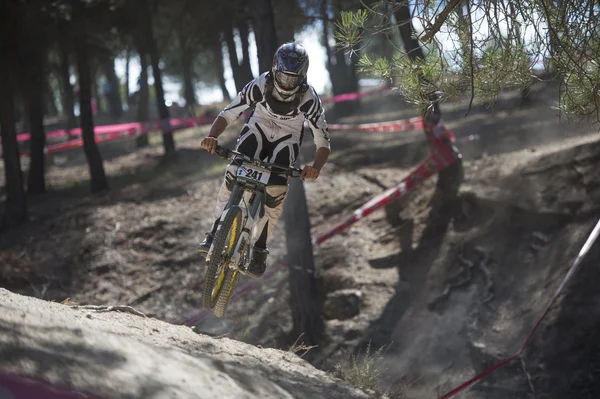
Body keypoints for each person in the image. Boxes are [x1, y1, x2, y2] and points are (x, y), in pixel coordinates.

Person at [199, 42, 331, 278]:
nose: (287, 83)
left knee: (277, 190)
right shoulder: (261, 84)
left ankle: (260, 248)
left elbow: (323, 140)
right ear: (274, 69)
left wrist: (316, 168)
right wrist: (212, 136)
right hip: (258, 127)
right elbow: (229, 113)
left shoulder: (310, 98)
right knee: (232, 174)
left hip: (287, 136)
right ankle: (214, 232)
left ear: (303, 76)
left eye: (293, 78)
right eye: (283, 76)